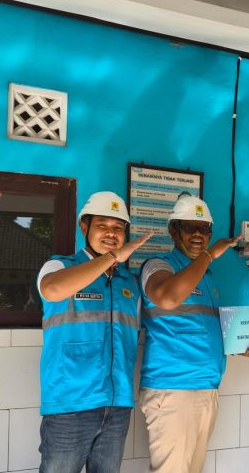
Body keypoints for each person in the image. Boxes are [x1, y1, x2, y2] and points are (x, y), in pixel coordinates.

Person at [36, 191, 152, 472]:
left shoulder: (130, 283)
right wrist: (112, 257)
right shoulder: (60, 266)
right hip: (69, 405)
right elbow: (52, 289)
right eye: (102, 225)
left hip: (117, 404)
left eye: (118, 228)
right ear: (84, 227)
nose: (111, 233)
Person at [139, 194, 245, 473]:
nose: (198, 234)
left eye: (205, 229)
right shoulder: (158, 265)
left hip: (206, 388)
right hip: (174, 389)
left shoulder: (207, 278)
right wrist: (210, 256)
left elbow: (204, 331)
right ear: (173, 231)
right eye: (189, 227)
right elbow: (168, 297)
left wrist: (245, 343)